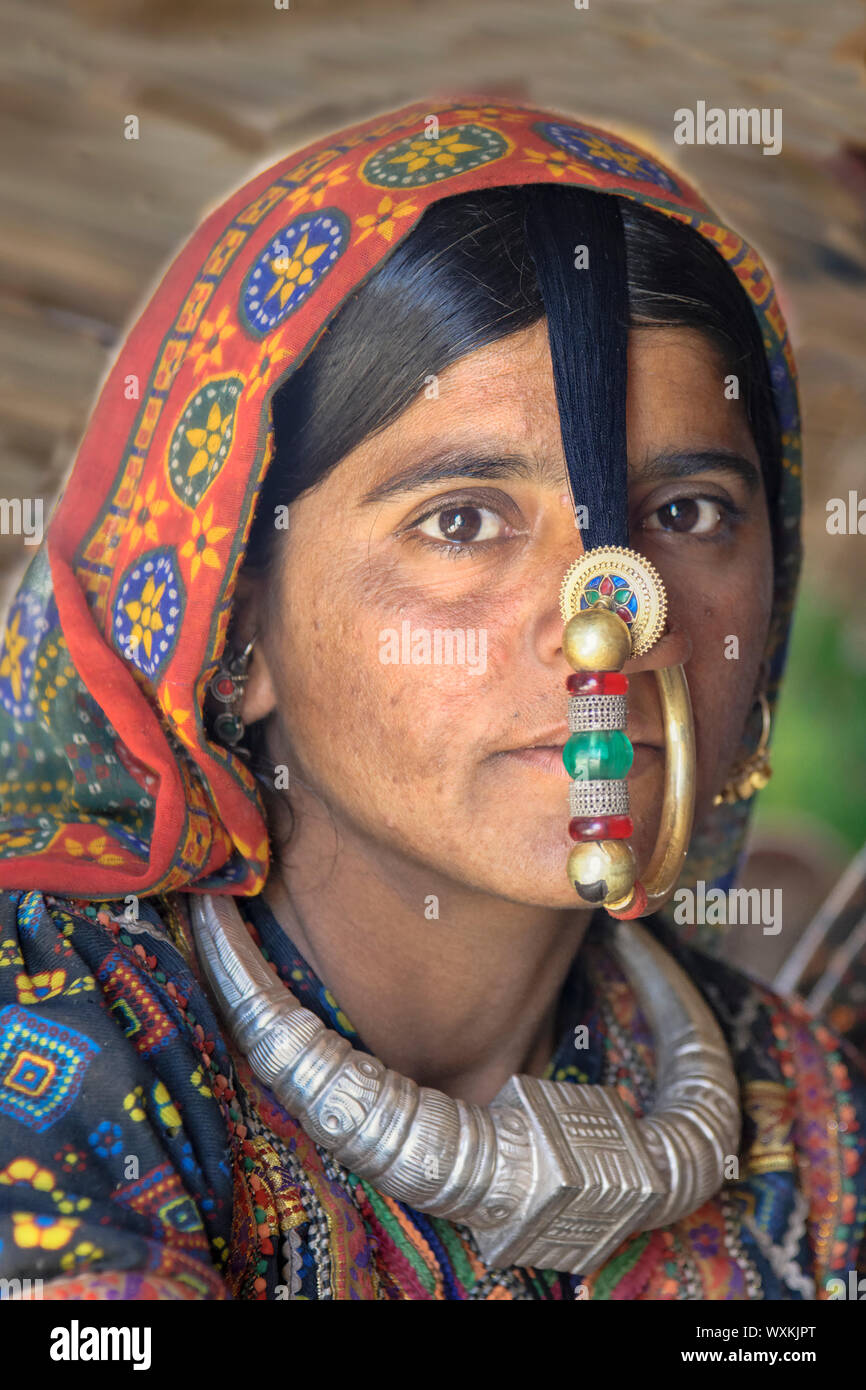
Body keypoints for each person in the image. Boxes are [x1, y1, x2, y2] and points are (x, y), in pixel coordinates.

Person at [0, 96, 863, 1301]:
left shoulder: (808, 1120)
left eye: (687, 515)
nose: (610, 621)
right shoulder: (49, 1031)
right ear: (234, 624)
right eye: (460, 521)